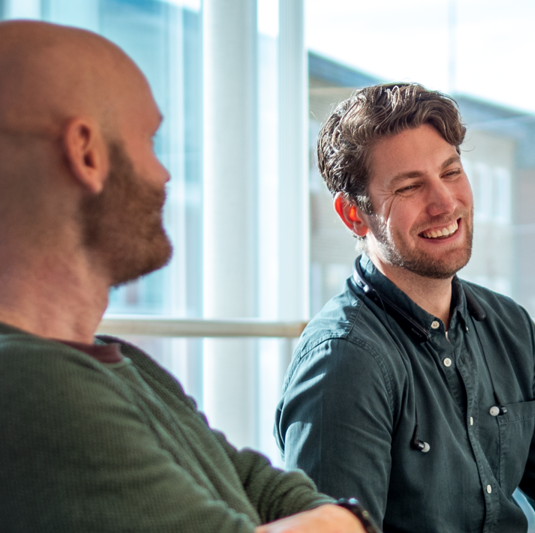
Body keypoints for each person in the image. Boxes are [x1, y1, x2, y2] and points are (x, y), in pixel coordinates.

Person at [0, 20, 378, 533]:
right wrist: (341, 522)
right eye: (149, 141)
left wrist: (329, 518)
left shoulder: (123, 364)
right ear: (87, 154)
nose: (165, 173)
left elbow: (264, 486)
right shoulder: (34, 387)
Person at [275, 82, 535, 533]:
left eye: (451, 172)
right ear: (354, 214)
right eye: (410, 187)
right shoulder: (344, 360)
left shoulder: (509, 327)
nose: (445, 203)